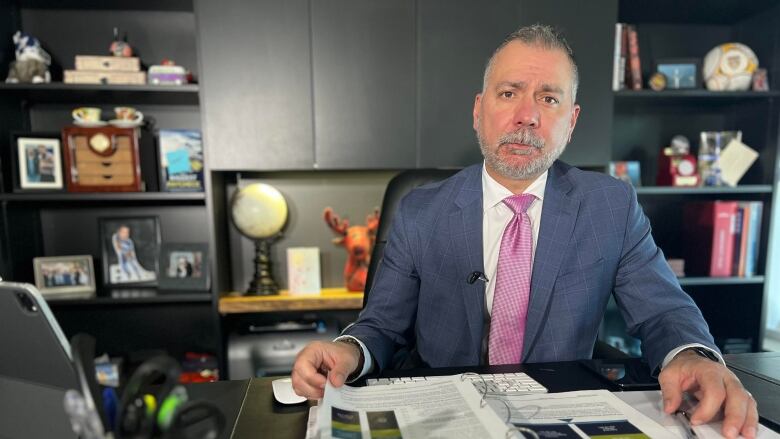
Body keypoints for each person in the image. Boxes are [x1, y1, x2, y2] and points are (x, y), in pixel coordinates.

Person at [292, 24, 757, 438]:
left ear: (571, 122)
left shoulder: (610, 206)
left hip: (560, 411)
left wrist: (692, 356)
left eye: (549, 98)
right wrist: (348, 351)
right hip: (444, 413)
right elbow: (380, 327)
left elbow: (663, 313)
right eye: (510, 92)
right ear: (479, 110)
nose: (527, 116)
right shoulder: (421, 210)